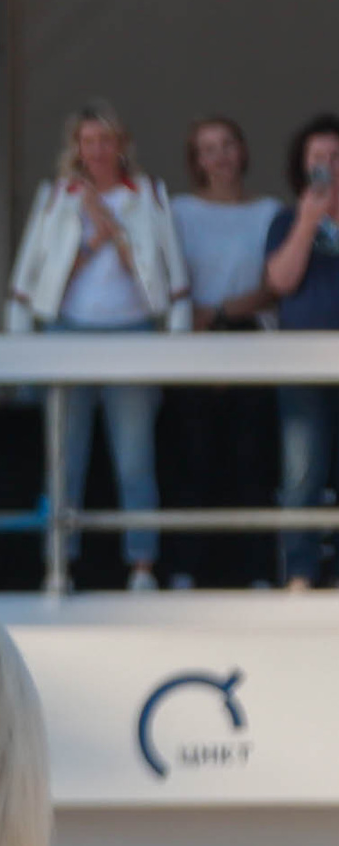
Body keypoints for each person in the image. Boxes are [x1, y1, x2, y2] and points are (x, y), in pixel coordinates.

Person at [6, 100, 192, 591]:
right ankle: (58, 564)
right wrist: (90, 234)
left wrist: (111, 227)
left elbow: (167, 277)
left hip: (133, 333)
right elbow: (33, 276)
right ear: (77, 148)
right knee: (65, 456)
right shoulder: (57, 197)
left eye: (105, 140)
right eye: (88, 142)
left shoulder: (147, 194)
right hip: (67, 334)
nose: (97, 151)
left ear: (122, 145)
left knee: (134, 456)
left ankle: (142, 566)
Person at [169, 117, 283, 584]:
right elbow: (165, 277)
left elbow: (275, 284)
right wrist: (199, 320)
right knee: (189, 462)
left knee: (252, 460)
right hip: (192, 345)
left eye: (227, 145)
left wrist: (221, 314)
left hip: (252, 340)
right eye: (208, 149)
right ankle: (181, 572)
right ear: (196, 161)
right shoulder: (178, 210)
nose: (219, 157)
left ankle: (258, 573)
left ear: (243, 151)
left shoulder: (271, 212)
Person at [264, 113, 339, 590]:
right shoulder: (286, 220)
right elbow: (279, 282)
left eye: (336, 158)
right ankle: (301, 575)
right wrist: (310, 220)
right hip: (301, 365)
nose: (328, 168)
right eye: (319, 159)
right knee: (301, 475)